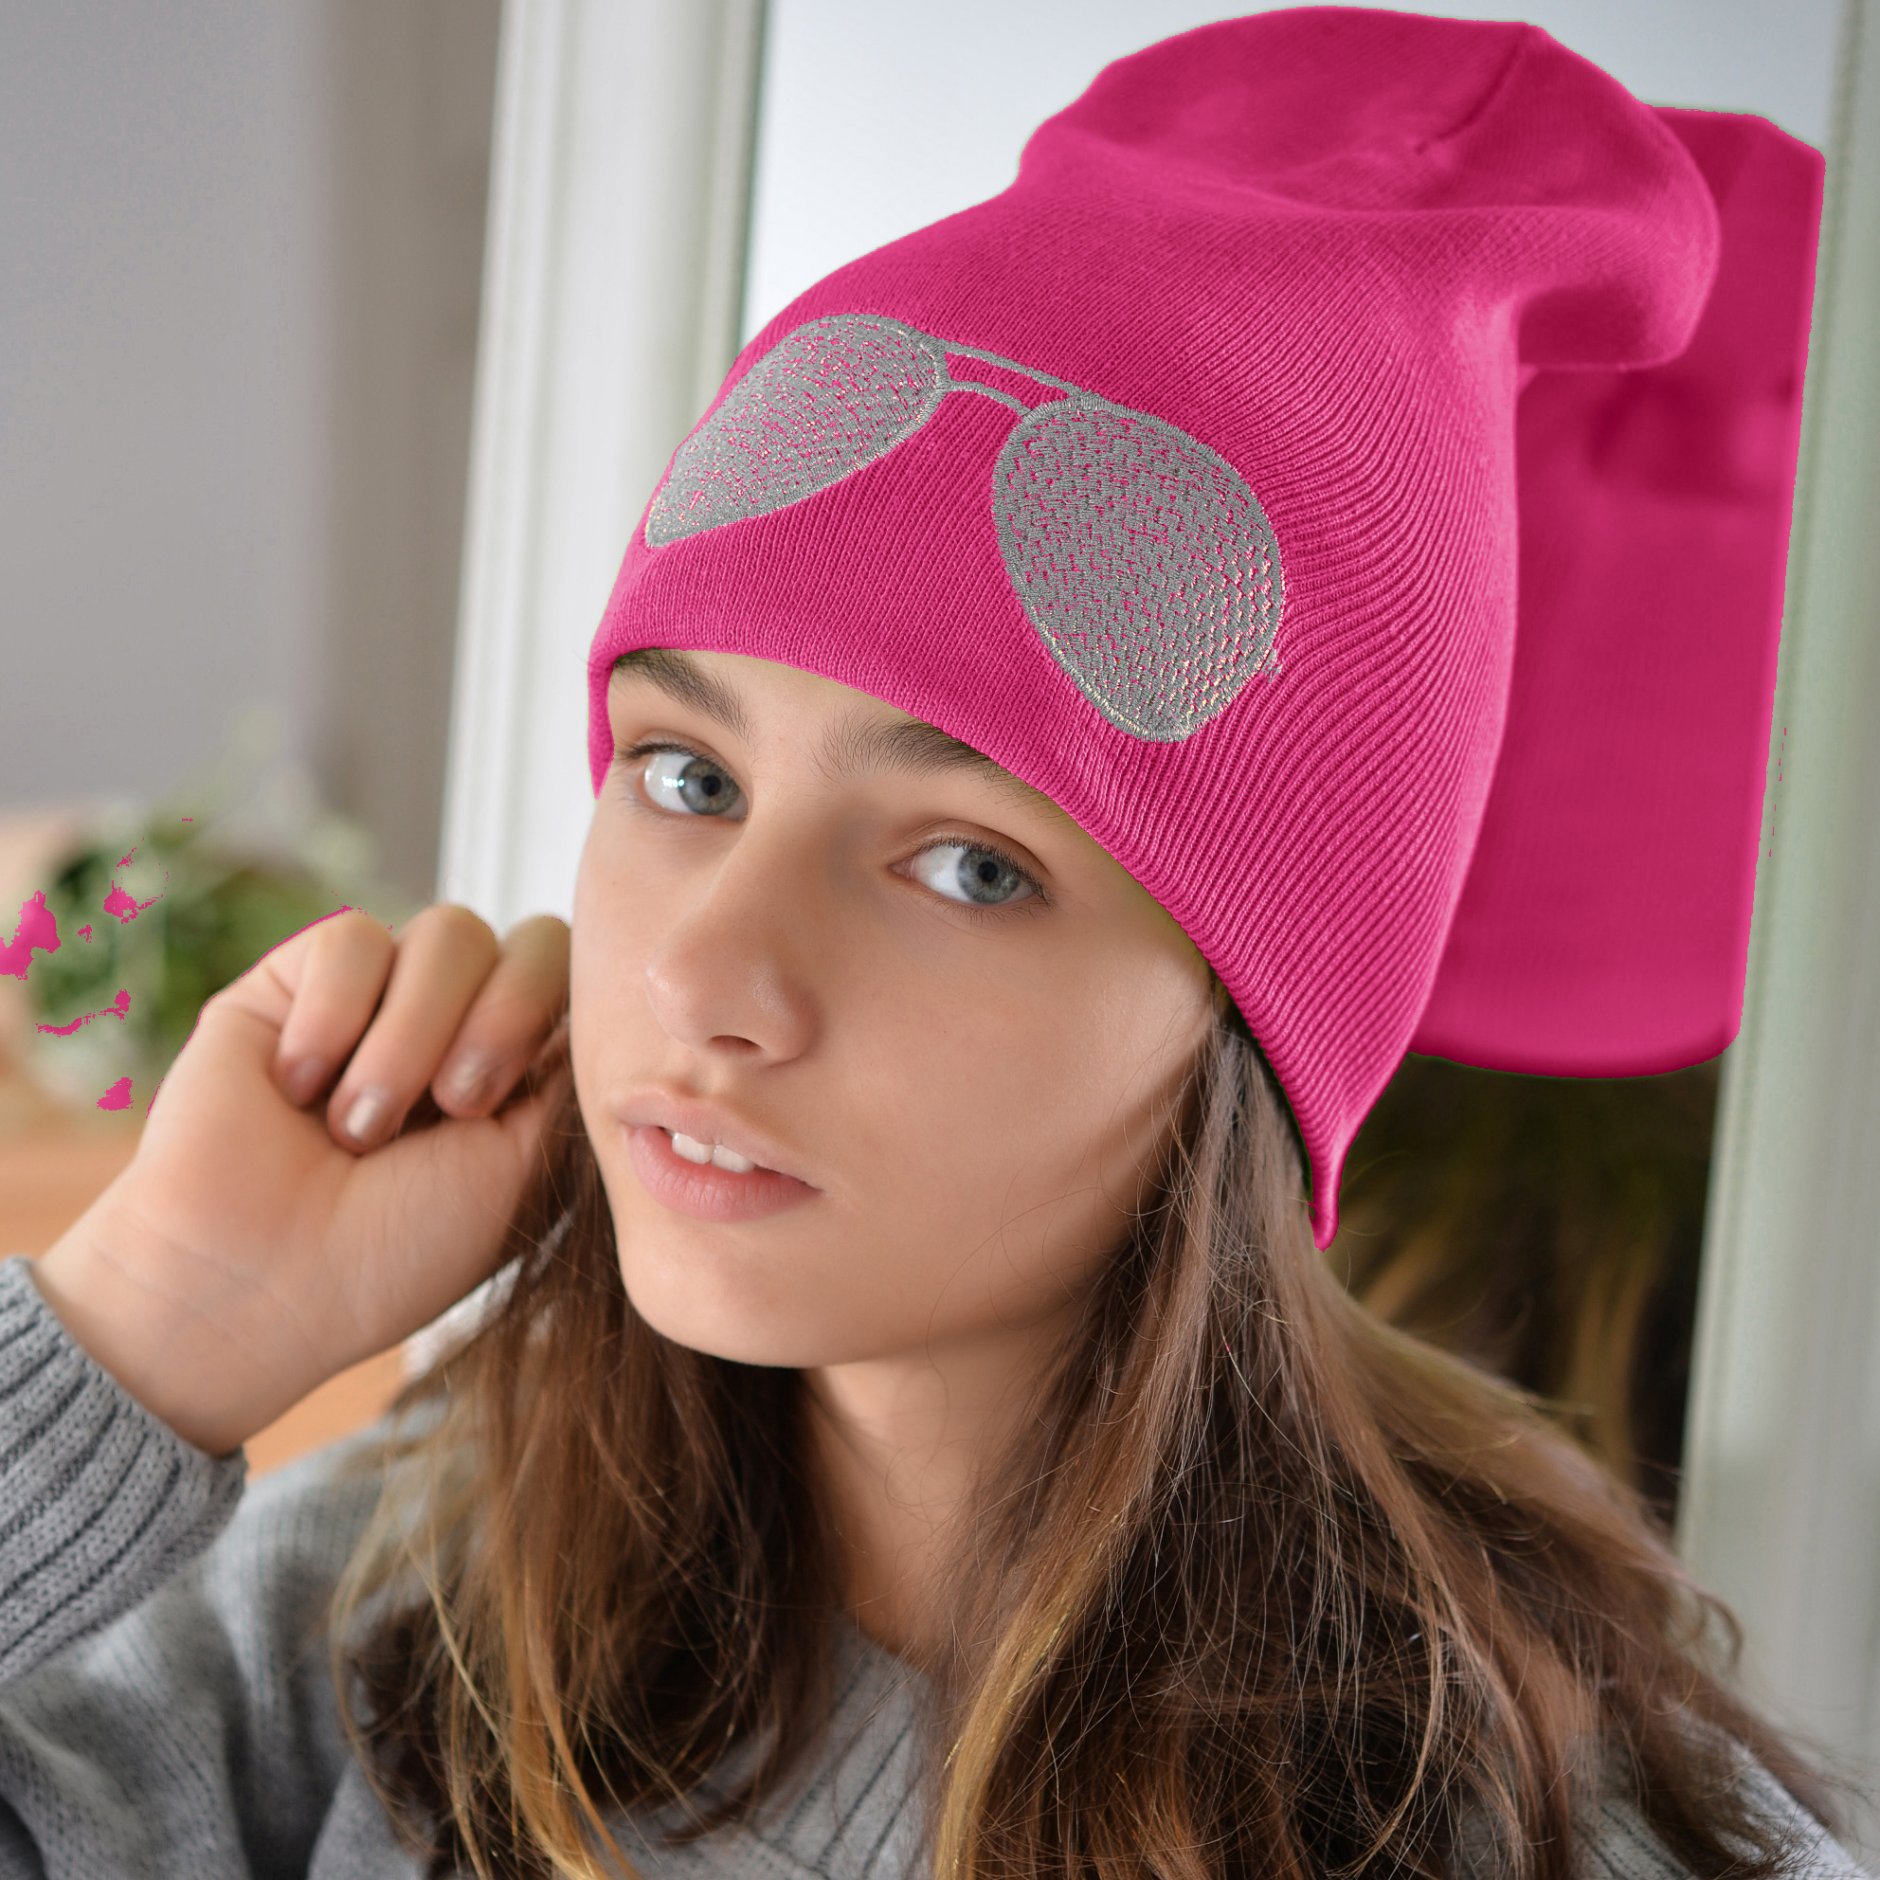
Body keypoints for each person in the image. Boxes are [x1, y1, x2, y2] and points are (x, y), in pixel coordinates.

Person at [4, 10, 1873, 1879]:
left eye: (971, 866)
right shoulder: (398, 1612)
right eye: (688, 775)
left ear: (1249, 1029)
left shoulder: (1529, 1832)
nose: (703, 981)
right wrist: (156, 1320)